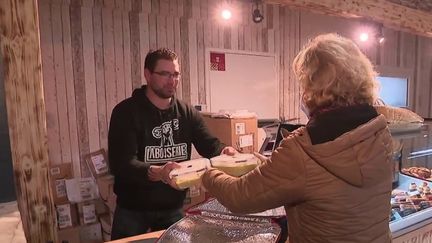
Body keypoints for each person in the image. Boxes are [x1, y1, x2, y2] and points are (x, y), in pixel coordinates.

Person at [202, 33, 393, 243]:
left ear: (314, 85)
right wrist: (266, 165)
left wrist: (206, 173)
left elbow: (240, 197)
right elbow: (328, 183)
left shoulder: (302, 149)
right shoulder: (379, 133)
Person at [108, 48, 236, 240]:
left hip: (172, 208)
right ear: (148, 74)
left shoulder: (186, 112)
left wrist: (224, 151)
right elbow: (121, 164)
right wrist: (159, 172)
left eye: (175, 74)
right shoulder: (125, 112)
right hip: (132, 210)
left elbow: (210, 145)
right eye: (165, 74)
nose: (172, 80)